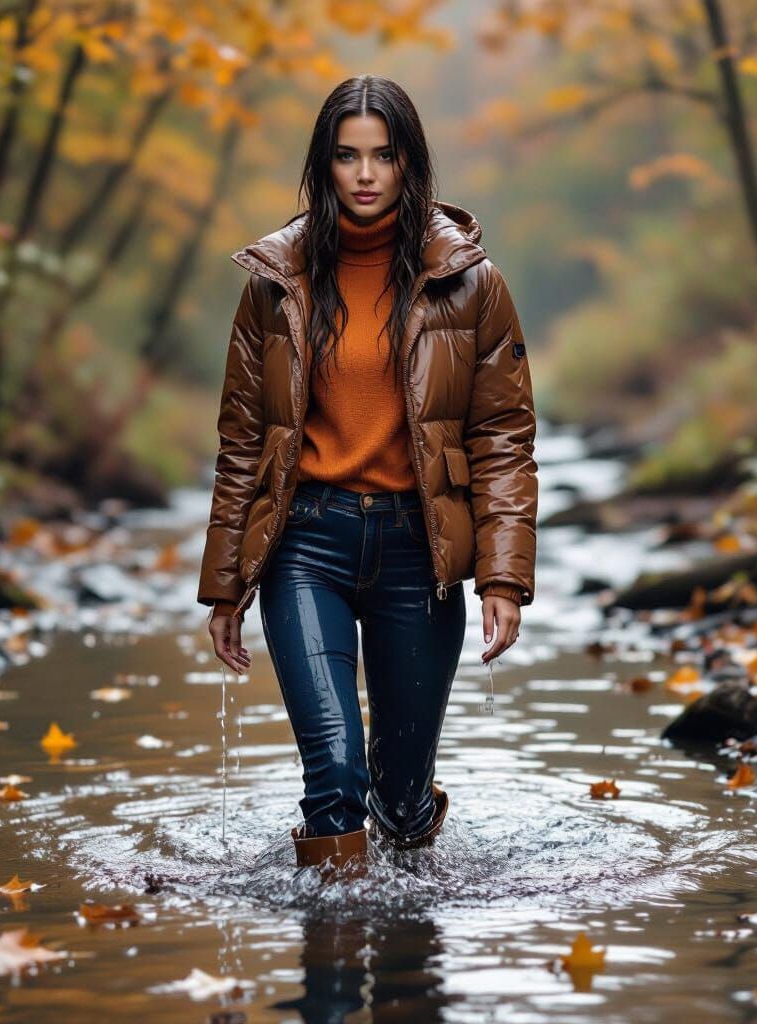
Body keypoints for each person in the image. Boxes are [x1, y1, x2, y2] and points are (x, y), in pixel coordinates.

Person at [197, 74, 537, 880]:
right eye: (347, 156)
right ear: (323, 165)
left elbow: (503, 437)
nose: (365, 173)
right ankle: (334, 961)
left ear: (411, 164)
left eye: (384, 155)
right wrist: (225, 585)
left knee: (402, 796)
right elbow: (244, 440)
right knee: (336, 780)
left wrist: (504, 576)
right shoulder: (273, 285)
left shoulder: (472, 282)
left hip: (421, 555)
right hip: (305, 546)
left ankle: (404, 949)